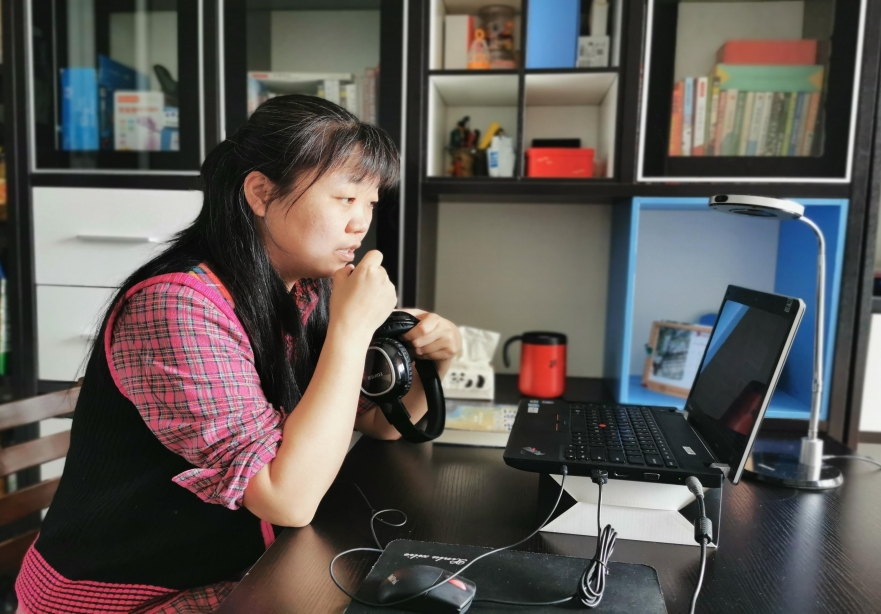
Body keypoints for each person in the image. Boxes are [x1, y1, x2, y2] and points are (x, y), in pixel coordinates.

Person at [15, 95, 461, 613]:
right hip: (126, 596)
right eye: (345, 198)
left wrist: (432, 361)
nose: (360, 223)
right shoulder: (177, 305)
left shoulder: (304, 289)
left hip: (249, 569)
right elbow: (285, 498)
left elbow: (380, 424)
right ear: (261, 193)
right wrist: (351, 330)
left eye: (371, 203)